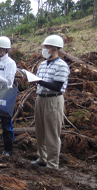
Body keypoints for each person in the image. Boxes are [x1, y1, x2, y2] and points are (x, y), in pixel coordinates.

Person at [30, 35, 70, 169]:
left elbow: (57, 86)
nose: (44, 50)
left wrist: (38, 81)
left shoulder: (62, 65)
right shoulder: (42, 65)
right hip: (40, 98)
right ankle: (42, 158)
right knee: (40, 130)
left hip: (53, 99)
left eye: (47, 47)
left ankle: (53, 163)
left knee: (52, 132)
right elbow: (40, 82)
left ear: (55, 48)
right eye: (44, 47)